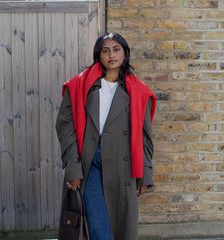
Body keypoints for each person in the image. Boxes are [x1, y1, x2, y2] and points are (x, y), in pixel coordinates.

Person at [56, 32, 156, 240]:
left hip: (124, 165)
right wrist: (72, 167)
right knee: (99, 229)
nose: (111, 55)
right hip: (90, 161)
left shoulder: (138, 92)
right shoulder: (79, 86)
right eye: (105, 50)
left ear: (125, 54)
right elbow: (66, 127)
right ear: (98, 55)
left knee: (121, 229)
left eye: (116, 49)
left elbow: (145, 136)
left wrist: (145, 172)